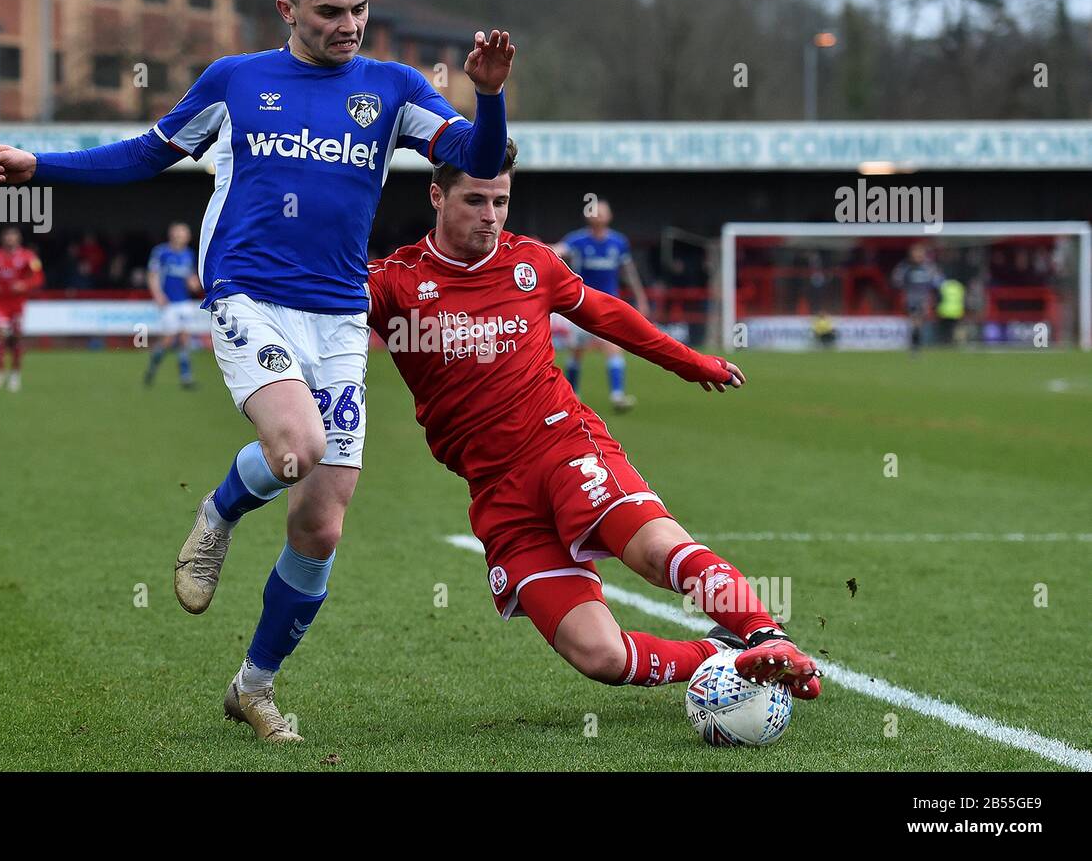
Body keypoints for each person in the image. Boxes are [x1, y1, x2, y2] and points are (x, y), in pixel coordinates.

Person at [0, 0, 514, 742]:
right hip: (248, 295)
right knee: (298, 443)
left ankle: (252, 687)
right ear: (288, 9)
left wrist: (489, 95)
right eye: (330, 12)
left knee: (321, 521)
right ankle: (218, 515)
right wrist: (39, 165)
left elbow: (479, 157)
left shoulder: (392, 88)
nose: (349, 25)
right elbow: (145, 156)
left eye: (361, 9)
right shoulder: (238, 82)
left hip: (337, 315)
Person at [366, 141, 821, 701]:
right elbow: (314, 305)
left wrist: (690, 362)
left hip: (563, 445)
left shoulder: (530, 262)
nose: (490, 216)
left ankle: (766, 634)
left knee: (655, 553)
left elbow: (609, 314)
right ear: (436, 195)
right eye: (475, 201)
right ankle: (722, 657)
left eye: (501, 202)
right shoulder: (394, 282)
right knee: (599, 655)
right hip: (497, 490)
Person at [553, 201, 649, 411]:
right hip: (580, 305)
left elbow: (629, 272)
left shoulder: (618, 242)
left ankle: (617, 396)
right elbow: (557, 251)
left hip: (608, 305)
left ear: (609, 216)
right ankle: (573, 395)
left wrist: (640, 297)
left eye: (603, 211)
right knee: (576, 352)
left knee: (613, 348)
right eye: (595, 211)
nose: (598, 215)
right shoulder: (577, 240)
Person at [0, 227, 43, 392]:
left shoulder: (28, 256)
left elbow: (38, 277)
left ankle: (15, 374)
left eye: (13, 237)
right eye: (7, 236)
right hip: (0, 302)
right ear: (3, 239)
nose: (10, 239)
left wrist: (25, 284)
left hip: (17, 303)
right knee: (0, 335)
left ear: (18, 239)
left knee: (15, 340)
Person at [144, 222, 201, 389]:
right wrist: (158, 295)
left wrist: (194, 283)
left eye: (184, 233)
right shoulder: (161, 252)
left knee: (184, 339)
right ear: (172, 234)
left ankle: (186, 377)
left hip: (184, 302)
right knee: (168, 340)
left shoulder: (189, 254)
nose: (182, 236)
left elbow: (190, 277)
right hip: (169, 303)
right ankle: (153, 366)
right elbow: (153, 275)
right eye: (179, 233)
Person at [891, 243, 943, 351]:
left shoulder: (929, 267)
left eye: (919, 253)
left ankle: (919, 343)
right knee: (915, 320)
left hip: (925, 298)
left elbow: (938, 280)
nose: (917, 255)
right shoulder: (905, 267)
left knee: (920, 322)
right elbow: (896, 280)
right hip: (911, 297)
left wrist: (934, 291)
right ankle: (916, 344)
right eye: (915, 253)